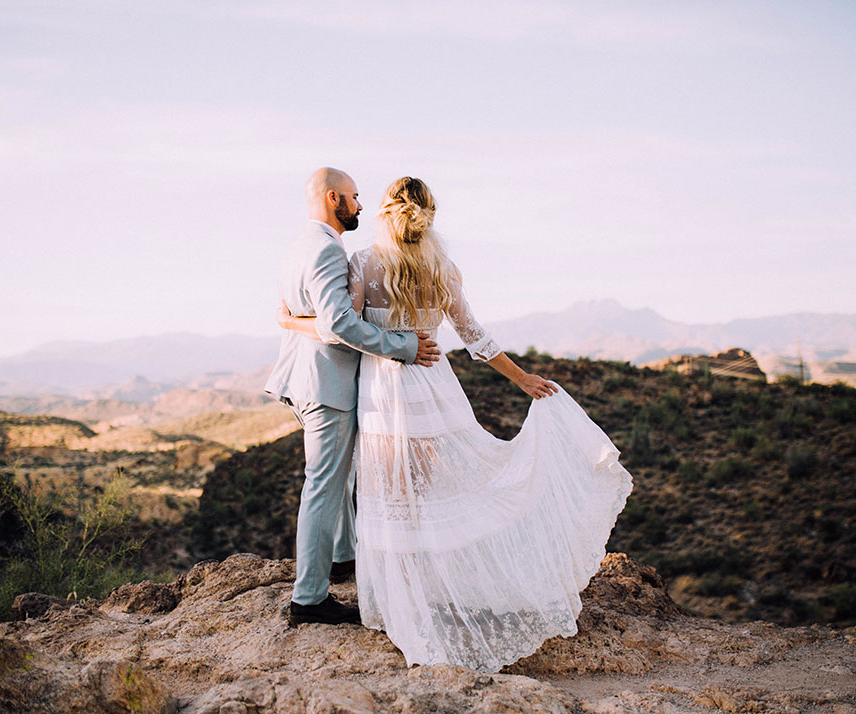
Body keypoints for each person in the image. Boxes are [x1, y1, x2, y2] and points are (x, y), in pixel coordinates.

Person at [277, 176, 633, 672]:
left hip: (384, 392)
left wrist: (292, 321)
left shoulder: (363, 263)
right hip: (435, 390)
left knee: (388, 494)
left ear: (385, 215)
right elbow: (475, 337)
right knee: (422, 495)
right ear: (429, 218)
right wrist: (522, 377)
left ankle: (399, 599)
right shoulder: (444, 270)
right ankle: (427, 588)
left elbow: (343, 330)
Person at [265, 168, 441, 627]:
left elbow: (310, 318)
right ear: (332, 198)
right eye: (354, 197)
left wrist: (292, 324)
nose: (361, 205)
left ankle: (342, 558)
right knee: (323, 486)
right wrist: (404, 347)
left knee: (338, 480)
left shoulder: (297, 246)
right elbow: (339, 323)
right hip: (325, 384)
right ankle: (309, 599)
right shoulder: (326, 249)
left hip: (306, 379)